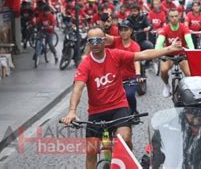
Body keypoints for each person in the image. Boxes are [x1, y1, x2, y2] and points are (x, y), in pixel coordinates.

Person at [60, 26, 182, 169]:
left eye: (98, 40)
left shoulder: (115, 55)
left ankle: (127, 161)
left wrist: (169, 49)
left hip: (118, 106)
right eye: (91, 41)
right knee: (91, 151)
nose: (95, 44)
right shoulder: (85, 65)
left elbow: (143, 55)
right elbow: (78, 88)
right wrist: (72, 111)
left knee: (124, 140)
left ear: (105, 41)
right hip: (96, 112)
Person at [105, 20, 143, 114]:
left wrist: (138, 75)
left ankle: (134, 111)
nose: (123, 32)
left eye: (126, 30)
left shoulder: (135, 46)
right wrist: (102, 26)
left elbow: (136, 61)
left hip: (130, 77)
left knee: (129, 94)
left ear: (131, 31)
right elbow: (104, 37)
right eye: (121, 30)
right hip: (115, 77)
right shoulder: (116, 40)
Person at [156, 9, 195, 97]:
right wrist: (157, 52)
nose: (174, 18)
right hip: (169, 55)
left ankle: (187, 88)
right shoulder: (165, 29)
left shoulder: (184, 27)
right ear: (168, 18)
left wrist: (192, 52)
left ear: (179, 17)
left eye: (176, 16)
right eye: (172, 16)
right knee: (163, 70)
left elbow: (189, 40)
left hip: (182, 55)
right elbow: (159, 42)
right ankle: (166, 86)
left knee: (189, 73)